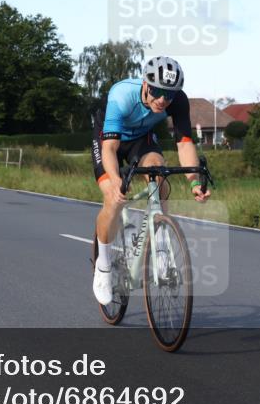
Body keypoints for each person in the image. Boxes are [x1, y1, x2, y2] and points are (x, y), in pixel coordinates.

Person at [90, 56, 211, 305]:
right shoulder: (122, 95)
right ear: (145, 84)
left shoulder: (178, 101)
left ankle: (162, 247)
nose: (162, 100)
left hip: (141, 139)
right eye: (156, 91)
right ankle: (103, 266)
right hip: (109, 140)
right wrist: (115, 180)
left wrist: (194, 182)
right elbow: (110, 149)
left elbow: (184, 144)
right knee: (113, 198)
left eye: (169, 94)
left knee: (159, 172)